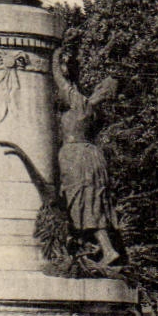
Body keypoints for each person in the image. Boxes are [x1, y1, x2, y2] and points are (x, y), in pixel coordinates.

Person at [50, 46, 121, 266]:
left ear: (102, 91)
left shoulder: (82, 104)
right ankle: (96, 247)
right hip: (89, 156)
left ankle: (106, 249)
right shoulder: (94, 112)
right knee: (89, 202)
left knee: (79, 200)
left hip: (77, 156)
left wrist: (55, 54)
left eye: (100, 87)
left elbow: (60, 80)